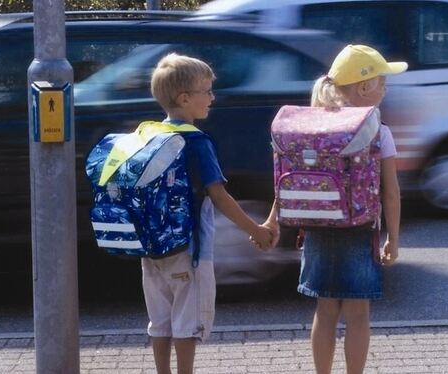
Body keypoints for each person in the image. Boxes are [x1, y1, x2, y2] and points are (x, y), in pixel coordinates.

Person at [260, 44, 403, 374]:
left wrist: (272, 221)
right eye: (383, 82)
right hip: (358, 228)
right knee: (357, 314)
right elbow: (391, 194)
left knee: (325, 312)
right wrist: (392, 239)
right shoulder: (379, 132)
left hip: (317, 227)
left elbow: (288, 182)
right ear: (364, 86)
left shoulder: (308, 130)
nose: (385, 89)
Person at [142, 53, 273, 374]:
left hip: (151, 247)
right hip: (190, 250)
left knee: (160, 321)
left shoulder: (148, 135)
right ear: (185, 98)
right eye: (207, 91)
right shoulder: (197, 142)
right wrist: (254, 229)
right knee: (188, 321)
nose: (212, 98)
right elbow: (219, 195)